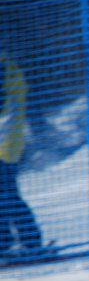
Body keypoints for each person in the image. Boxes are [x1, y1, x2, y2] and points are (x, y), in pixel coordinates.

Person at [0, 53, 43, 258]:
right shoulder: (8, 66)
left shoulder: (3, 70)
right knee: (7, 194)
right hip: (9, 141)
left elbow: (4, 107)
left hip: (4, 143)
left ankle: (29, 241)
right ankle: (8, 242)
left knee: (7, 196)